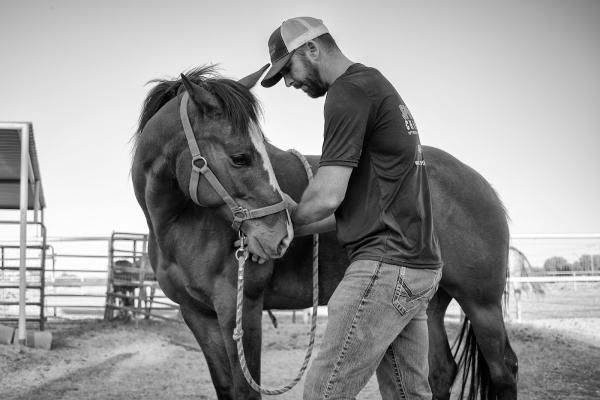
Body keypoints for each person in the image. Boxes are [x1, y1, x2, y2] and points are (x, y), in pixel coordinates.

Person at [260, 17, 443, 400]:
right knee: (409, 395)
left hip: (383, 268)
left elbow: (327, 195)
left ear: (311, 49)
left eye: (287, 69)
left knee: (324, 393)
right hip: (416, 268)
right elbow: (343, 209)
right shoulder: (375, 86)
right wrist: (293, 225)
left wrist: (278, 222)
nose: (289, 82)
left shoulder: (348, 92)